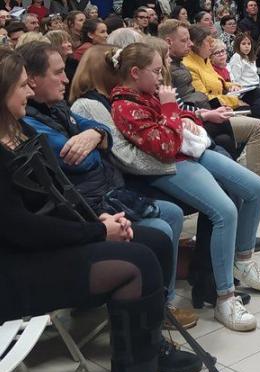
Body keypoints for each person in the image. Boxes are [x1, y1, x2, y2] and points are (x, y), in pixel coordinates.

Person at [0, 47, 203, 372]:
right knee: (136, 263)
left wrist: (99, 220)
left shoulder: (18, 128)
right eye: (23, 86)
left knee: (153, 243)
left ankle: (142, 356)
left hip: (39, 245)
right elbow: (20, 229)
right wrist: (96, 232)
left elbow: (54, 196)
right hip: (13, 268)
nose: (29, 92)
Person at [17, 41, 197, 330]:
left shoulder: (58, 107)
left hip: (104, 191)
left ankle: (164, 302)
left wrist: (95, 133)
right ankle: (151, 312)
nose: (66, 79)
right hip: (87, 204)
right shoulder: (33, 121)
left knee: (174, 213)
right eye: (59, 72)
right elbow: (78, 161)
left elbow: (105, 136)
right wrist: (96, 137)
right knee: (164, 228)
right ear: (33, 80)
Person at [110, 42, 260, 330]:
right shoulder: (125, 107)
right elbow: (165, 147)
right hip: (170, 166)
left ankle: (242, 260)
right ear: (135, 72)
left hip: (190, 153)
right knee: (225, 211)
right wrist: (173, 109)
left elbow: (177, 118)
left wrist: (189, 117)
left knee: (256, 187)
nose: (161, 77)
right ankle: (225, 297)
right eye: (157, 71)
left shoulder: (148, 95)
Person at [160, 18, 260, 197]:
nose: (190, 44)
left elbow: (211, 85)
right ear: (169, 42)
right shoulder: (176, 67)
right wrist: (213, 109)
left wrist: (228, 86)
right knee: (256, 124)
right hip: (204, 112)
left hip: (206, 109)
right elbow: (187, 102)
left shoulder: (196, 61)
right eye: (186, 41)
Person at [184, 24, 260, 149]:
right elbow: (205, 98)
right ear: (197, 44)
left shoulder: (204, 59)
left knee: (259, 92)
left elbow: (219, 81)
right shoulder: (191, 65)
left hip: (224, 96)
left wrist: (232, 86)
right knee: (259, 111)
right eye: (209, 42)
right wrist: (234, 100)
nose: (212, 45)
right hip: (214, 105)